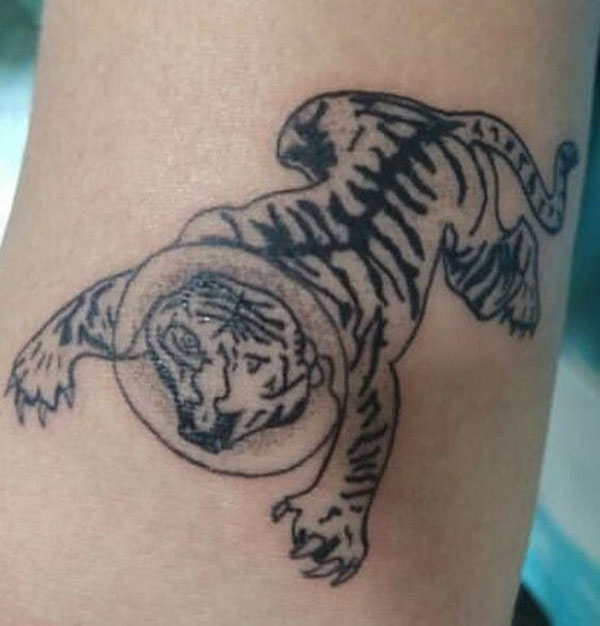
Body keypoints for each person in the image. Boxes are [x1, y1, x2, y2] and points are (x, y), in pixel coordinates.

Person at [0, 1, 598, 624]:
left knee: (486, 281)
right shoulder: (310, 333)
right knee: (492, 288)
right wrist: (341, 503)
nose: (211, 371)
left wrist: (59, 348)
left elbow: (122, 316)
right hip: (546, 471)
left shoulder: (283, 315)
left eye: (200, 354)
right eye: (229, 368)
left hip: (409, 152)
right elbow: (130, 309)